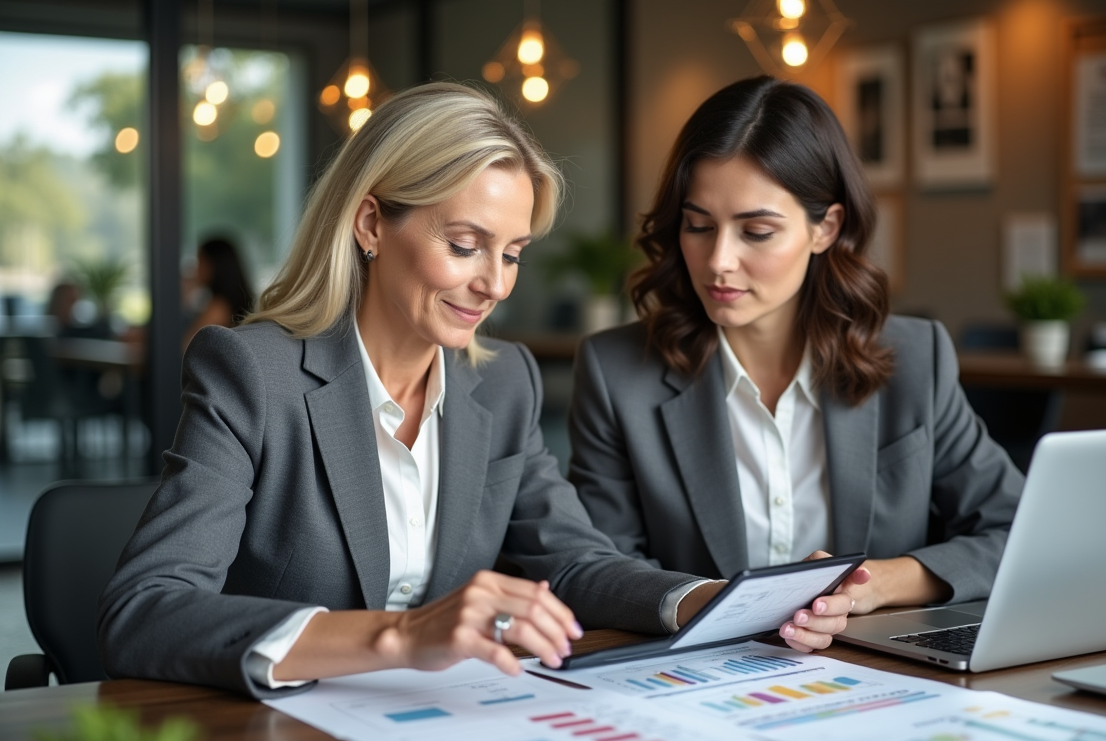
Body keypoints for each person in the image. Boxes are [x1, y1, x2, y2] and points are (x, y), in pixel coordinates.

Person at [98, 83, 855, 700]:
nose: (493, 284)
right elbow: (144, 611)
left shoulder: (502, 386)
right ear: (370, 223)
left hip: (442, 733)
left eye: (513, 254)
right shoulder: (251, 373)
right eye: (464, 246)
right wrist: (400, 635)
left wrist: (709, 602)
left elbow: (575, 560)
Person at [567, 76, 1024, 634]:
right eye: (698, 226)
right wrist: (729, 607)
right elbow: (596, 572)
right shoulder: (617, 374)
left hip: (876, 677)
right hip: (697, 680)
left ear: (825, 228)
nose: (718, 261)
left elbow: (1017, 530)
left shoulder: (915, 359)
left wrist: (874, 585)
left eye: (756, 231)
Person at [183, 237, 255, 347]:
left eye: (200, 262)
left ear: (214, 265)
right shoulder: (234, 300)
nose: (196, 269)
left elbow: (186, 347)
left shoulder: (218, 308)